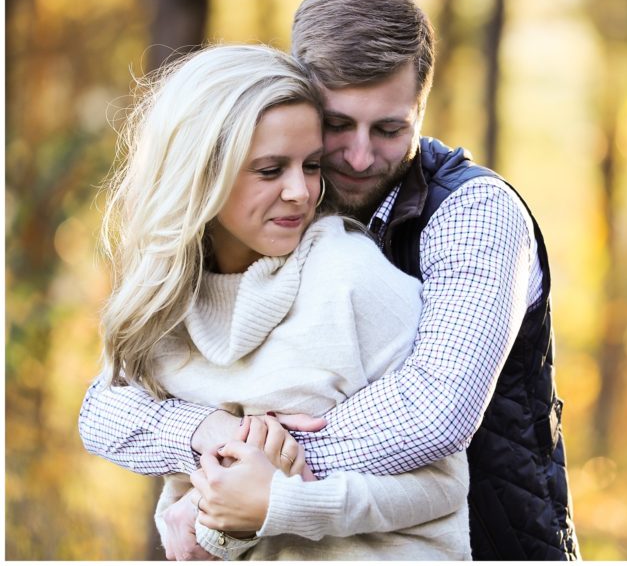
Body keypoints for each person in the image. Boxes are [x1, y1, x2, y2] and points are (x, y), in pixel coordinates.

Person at [80, 0, 580, 560]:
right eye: (338, 126)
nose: (360, 157)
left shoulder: (474, 214)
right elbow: (109, 400)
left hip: (493, 542)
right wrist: (203, 439)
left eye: (391, 128)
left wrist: (243, 472)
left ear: (421, 107)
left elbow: (434, 411)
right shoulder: (278, 210)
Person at [92, 43, 470, 560]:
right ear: (201, 172)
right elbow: (102, 416)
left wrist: (283, 501)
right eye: (270, 170)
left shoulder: (348, 276)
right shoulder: (167, 301)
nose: (300, 191)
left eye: (311, 165)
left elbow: (444, 485)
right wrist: (211, 435)